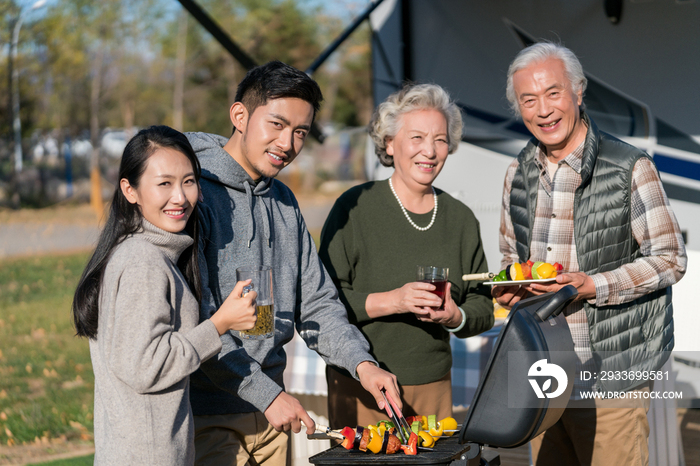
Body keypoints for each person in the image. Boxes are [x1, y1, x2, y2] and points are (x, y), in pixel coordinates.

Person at [186, 60, 401, 465]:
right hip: (207, 415)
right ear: (240, 116)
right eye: (277, 124)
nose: (288, 143)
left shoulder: (284, 202)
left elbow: (317, 302)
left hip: (273, 418)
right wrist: (266, 394)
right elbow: (199, 317)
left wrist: (363, 363)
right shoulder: (194, 197)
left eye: (300, 132)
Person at [493, 42, 687, 466]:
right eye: (529, 99)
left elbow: (671, 257)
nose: (542, 110)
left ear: (578, 92)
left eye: (553, 93)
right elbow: (512, 256)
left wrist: (593, 285)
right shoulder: (517, 173)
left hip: (611, 372)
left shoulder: (630, 166)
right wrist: (511, 287)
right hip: (546, 368)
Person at [71, 126, 258, 465]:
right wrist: (219, 324)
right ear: (130, 190)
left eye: (189, 181)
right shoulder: (143, 261)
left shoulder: (142, 253)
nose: (180, 197)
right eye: (164, 183)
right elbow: (147, 366)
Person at [318, 83, 494, 428]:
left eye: (440, 139)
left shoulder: (460, 219)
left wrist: (454, 315)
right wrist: (394, 300)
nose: (429, 151)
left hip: (434, 386)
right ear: (389, 143)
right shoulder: (354, 209)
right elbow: (320, 302)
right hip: (363, 386)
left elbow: (483, 308)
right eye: (416, 138)